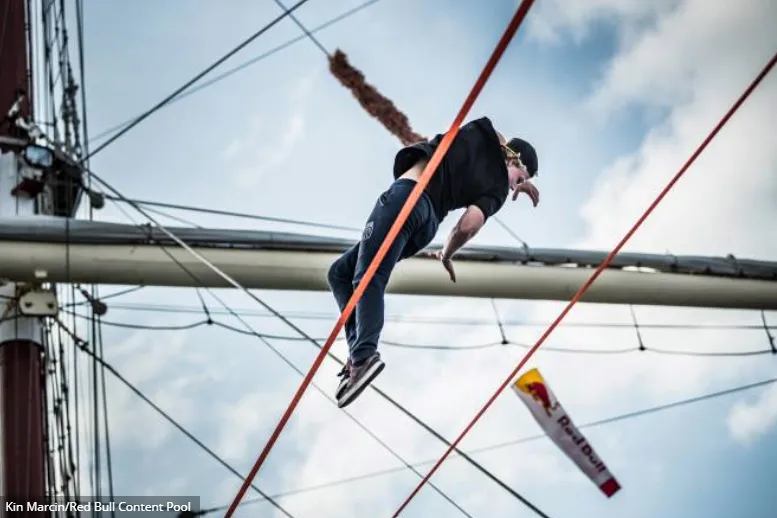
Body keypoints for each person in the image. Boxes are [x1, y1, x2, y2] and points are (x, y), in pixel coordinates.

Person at [327, 116, 540, 408]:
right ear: (514, 159)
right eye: (522, 178)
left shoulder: (486, 141)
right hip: (426, 224)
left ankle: (364, 356)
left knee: (368, 276)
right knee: (340, 273)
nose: (517, 185)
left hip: (408, 198)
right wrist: (447, 252)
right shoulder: (494, 162)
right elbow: (466, 224)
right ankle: (357, 354)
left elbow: (468, 224)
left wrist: (448, 252)